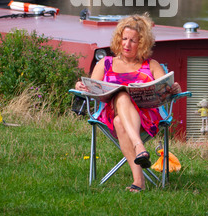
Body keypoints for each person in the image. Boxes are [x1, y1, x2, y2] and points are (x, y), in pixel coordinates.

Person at [75, 14, 181, 192]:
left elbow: (165, 88)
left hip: (146, 116)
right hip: (109, 113)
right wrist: (80, 86)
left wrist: (174, 89)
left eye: (133, 40)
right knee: (122, 96)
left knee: (120, 121)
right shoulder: (105, 63)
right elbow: (91, 87)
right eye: (124, 39)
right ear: (118, 39)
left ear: (142, 43)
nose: (126, 44)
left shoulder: (151, 65)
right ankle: (139, 146)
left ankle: (138, 180)